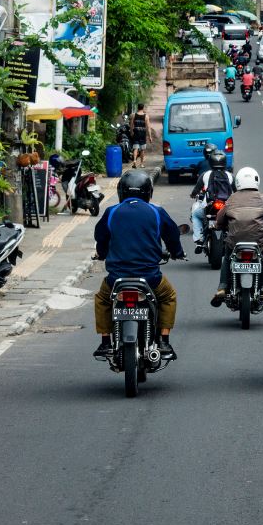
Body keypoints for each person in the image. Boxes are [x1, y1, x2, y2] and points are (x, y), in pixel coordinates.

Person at [93, 170, 185, 359]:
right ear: (148, 192)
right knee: (169, 296)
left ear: (121, 192)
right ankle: (164, 342)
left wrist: (102, 254)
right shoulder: (156, 212)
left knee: (103, 299)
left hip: (116, 278)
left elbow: (100, 238)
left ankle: (105, 342)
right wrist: (177, 252)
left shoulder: (111, 212)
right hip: (150, 278)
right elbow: (172, 234)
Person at [211, 167, 263, 306]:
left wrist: (219, 226)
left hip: (235, 242)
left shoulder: (231, 199)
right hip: (258, 243)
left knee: (227, 260)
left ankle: (222, 287)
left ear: (238, 182)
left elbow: (220, 219)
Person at [189, 150, 234, 252]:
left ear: (210, 162)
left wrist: (192, 195)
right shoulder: (230, 175)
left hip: (209, 206)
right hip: (227, 207)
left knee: (195, 215)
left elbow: (196, 189)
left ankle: (199, 240)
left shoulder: (205, 174)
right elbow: (236, 191)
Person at [129, 103, 152, 168]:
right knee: (142, 150)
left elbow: (131, 125)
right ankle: (141, 164)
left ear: (137, 107)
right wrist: (150, 136)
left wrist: (131, 132)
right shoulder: (146, 116)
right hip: (142, 134)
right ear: (143, 108)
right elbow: (148, 127)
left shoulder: (134, 115)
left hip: (136, 133)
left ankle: (134, 161)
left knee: (135, 148)